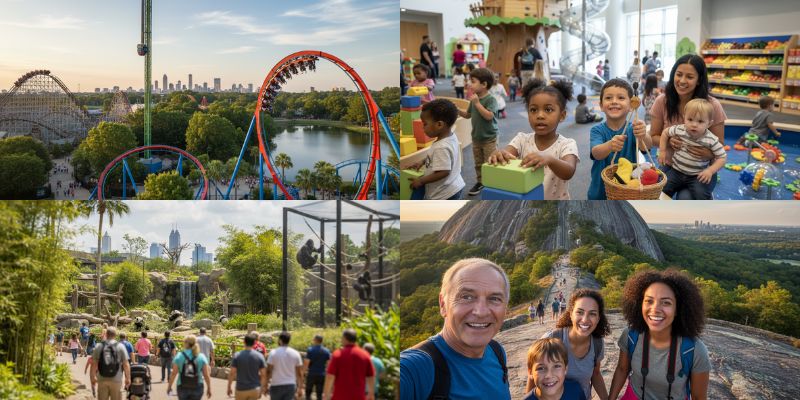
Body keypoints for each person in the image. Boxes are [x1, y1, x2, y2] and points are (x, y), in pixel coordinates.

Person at [400, 258, 511, 400]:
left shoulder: (497, 352)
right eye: (467, 297)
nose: (481, 312)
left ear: (505, 308)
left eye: (494, 298)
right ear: (443, 305)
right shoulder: (417, 368)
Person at [608, 270, 711, 400]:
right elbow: (622, 370)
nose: (655, 309)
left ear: (678, 309)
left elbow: (698, 397)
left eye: (666, 302)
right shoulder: (631, 336)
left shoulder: (693, 349)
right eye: (649, 301)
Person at [649, 54, 727, 199]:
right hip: (672, 166)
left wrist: (708, 154)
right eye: (679, 75)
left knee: (686, 199)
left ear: (699, 80)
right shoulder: (662, 101)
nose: (682, 81)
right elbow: (653, 136)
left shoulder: (712, 105)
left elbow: (720, 146)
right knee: (655, 194)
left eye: (690, 77)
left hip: (700, 172)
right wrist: (668, 143)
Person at [487, 79, 580, 200]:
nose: (540, 115)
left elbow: (569, 171)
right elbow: (507, 154)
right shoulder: (521, 139)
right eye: (533, 110)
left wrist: (550, 159)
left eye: (548, 110)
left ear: (562, 115)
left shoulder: (567, 144)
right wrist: (500, 153)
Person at [538, 289, 610, 400]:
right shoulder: (552, 339)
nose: (585, 320)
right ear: (571, 314)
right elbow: (534, 377)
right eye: (579, 312)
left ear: (598, 318)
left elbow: (595, 374)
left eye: (592, 314)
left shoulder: (597, 343)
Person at [587, 78, 651, 200]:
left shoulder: (633, 128)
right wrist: (610, 145)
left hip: (626, 189)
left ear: (631, 106)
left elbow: (646, 147)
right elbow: (596, 153)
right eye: (608, 98)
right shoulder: (597, 130)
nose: (614, 102)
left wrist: (643, 135)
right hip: (600, 190)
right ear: (601, 105)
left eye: (621, 98)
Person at [658, 98, 727, 200]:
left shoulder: (711, 139)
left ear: (709, 124)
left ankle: (703, 211)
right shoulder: (680, 129)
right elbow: (665, 133)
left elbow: (722, 157)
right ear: (684, 118)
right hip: (676, 171)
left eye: (700, 121)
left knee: (701, 194)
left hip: (697, 175)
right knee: (661, 189)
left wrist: (710, 170)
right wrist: (662, 151)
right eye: (690, 119)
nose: (694, 124)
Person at [409, 99, 465, 200]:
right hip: (454, 185)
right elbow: (442, 159)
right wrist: (422, 161)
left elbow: (444, 171)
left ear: (439, 124)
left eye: (425, 124)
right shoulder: (450, 136)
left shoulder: (441, 147)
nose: (423, 128)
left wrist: (421, 181)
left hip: (445, 194)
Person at [457, 68, 499, 196]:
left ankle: (492, 183)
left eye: (473, 81)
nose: (470, 84)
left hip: (489, 138)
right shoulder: (473, 100)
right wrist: (458, 110)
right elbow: (468, 115)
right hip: (476, 138)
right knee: (478, 163)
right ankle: (481, 182)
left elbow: (489, 116)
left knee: (490, 162)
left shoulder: (491, 99)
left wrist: (477, 103)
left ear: (484, 84)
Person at [324, 329, 376, 400]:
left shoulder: (337, 354)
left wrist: (326, 395)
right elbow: (371, 376)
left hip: (340, 396)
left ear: (344, 338)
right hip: (358, 397)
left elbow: (330, 376)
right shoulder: (365, 355)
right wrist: (371, 393)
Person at [91, 326, 131, 400]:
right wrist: (128, 378)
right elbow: (126, 364)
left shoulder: (99, 346)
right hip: (116, 378)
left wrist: (92, 377)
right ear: (115, 335)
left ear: (106, 334)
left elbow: (94, 364)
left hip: (102, 378)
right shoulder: (120, 346)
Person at [168, 335, 212, 400]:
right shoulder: (201, 356)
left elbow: (174, 373)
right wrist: (209, 388)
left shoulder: (179, 356)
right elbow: (206, 375)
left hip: (182, 385)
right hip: (197, 385)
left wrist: (169, 386)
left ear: (185, 343)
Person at [227, 332, 267, 400]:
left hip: (241, 389)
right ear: (254, 342)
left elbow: (232, 373)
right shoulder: (260, 356)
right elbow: (264, 374)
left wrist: (229, 386)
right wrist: (262, 388)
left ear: (244, 342)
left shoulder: (237, 355)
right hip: (254, 389)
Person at [266, 331, 305, 400]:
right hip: (290, 385)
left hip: (276, 384)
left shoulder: (273, 353)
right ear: (289, 340)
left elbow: (269, 371)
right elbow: (299, 373)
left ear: (280, 340)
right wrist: (300, 388)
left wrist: (265, 385)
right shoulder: (295, 353)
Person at [304, 335, 330, 400]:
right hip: (321, 375)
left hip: (311, 374)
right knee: (319, 394)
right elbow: (329, 364)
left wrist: (304, 372)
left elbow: (306, 363)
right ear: (322, 341)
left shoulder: (310, 350)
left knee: (308, 393)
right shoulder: (326, 351)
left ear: (315, 340)